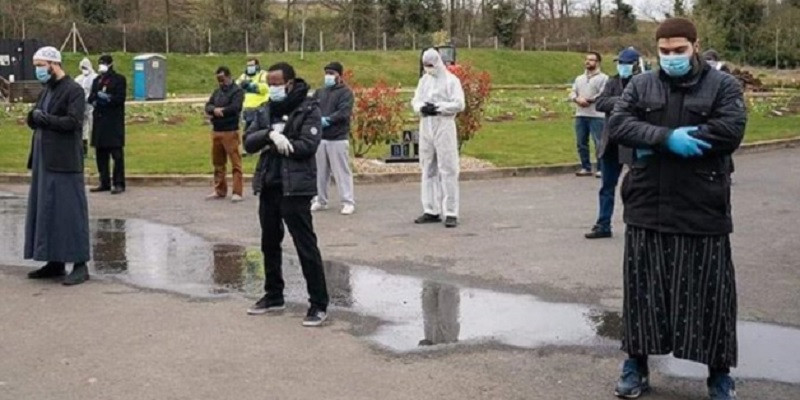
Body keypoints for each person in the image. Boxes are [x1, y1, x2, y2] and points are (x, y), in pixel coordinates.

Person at [607, 18, 746, 400]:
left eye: (679, 51)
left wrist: (652, 140)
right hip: (647, 204)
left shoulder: (723, 86)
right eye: (665, 52)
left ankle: (719, 375)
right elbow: (618, 124)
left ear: (695, 46)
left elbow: (729, 131)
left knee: (711, 296)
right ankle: (636, 365)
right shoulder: (641, 84)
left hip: (702, 206)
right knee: (642, 293)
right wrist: (666, 138)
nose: (671, 58)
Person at [243, 62, 329, 327]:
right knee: (269, 242)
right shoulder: (266, 109)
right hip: (270, 182)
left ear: (290, 83)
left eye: (277, 84)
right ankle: (273, 294)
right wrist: (269, 135)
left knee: (305, 245)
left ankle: (318, 303)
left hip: (296, 186)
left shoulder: (308, 108)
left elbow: (308, 145)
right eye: (270, 84)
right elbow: (248, 141)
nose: (273, 88)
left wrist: (284, 143)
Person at [24, 46, 91, 286]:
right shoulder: (48, 90)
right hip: (45, 158)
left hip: (64, 161)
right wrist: (33, 118)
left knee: (69, 212)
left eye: (41, 65)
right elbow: (38, 115)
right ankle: (55, 261)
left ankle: (80, 264)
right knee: (47, 210)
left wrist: (46, 119)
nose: (38, 70)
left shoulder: (73, 90)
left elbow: (73, 122)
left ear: (54, 64)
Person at [584, 47, 641, 239]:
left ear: (635, 65)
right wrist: (625, 101)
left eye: (626, 63)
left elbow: (643, 105)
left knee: (636, 186)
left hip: (632, 142)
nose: (623, 67)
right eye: (620, 63)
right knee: (607, 186)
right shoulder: (613, 81)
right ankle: (603, 224)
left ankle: (637, 224)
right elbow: (601, 103)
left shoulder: (644, 82)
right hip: (611, 142)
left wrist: (619, 102)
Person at [411, 48, 465, 228]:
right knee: (427, 167)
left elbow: (459, 104)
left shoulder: (451, 81)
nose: (428, 68)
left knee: (448, 168)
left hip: (444, 124)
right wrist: (421, 108)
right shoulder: (424, 81)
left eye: (431, 65)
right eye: (425, 65)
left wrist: (439, 107)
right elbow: (415, 100)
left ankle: (451, 211)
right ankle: (430, 209)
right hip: (426, 125)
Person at [310, 61, 356, 215]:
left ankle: (347, 201)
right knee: (320, 172)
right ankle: (321, 200)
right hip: (321, 138)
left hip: (337, 137)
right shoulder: (320, 92)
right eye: (326, 73)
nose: (328, 76)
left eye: (332, 73)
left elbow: (344, 112)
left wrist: (328, 120)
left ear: (339, 75)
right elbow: (312, 107)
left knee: (341, 171)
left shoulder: (346, 93)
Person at [205, 66, 245, 202]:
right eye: (218, 80)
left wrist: (221, 111)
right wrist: (214, 110)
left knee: (235, 163)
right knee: (218, 163)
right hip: (216, 130)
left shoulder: (237, 91)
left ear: (228, 77)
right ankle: (219, 190)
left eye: (222, 79)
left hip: (230, 130)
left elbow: (235, 108)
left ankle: (237, 192)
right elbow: (208, 105)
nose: (220, 83)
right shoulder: (217, 92)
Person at [88, 54, 127, 194]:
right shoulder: (97, 80)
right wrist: (95, 99)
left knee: (117, 155)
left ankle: (119, 183)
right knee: (101, 155)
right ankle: (104, 182)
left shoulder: (119, 79)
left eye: (103, 63)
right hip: (99, 122)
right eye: (100, 63)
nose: (101, 66)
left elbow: (120, 98)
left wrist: (108, 99)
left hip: (113, 122)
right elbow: (91, 96)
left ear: (110, 64)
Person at [569, 52, 609, 177]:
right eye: (586, 59)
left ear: (598, 62)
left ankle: (601, 168)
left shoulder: (604, 78)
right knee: (581, 142)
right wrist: (576, 99)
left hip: (597, 115)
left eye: (591, 60)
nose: (588, 62)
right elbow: (572, 92)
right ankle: (585, 167)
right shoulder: (579, 78)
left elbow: (603, 94)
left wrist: (588, 100)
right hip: (581, 114)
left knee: (599, 143)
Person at [236, 58, 269, 130]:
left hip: (259, 108)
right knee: (247, 133)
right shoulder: (244, 76)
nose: (250, 67)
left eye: (252, 65)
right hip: (247, 109)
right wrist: (241, 86)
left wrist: (251, 86)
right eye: (248, 66)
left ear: (257, 65)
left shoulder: (263, 74)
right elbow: (236, 87)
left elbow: (265, 88)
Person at [74, 57, 97, 158]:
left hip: (92, 106)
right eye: (82, 67)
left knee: (94, 127)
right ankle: (83, 150)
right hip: (81, 106)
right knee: (83, 128)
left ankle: (97, 150)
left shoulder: (95, 78)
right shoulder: (78, 79)